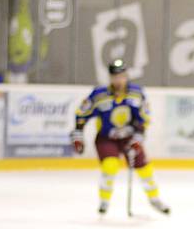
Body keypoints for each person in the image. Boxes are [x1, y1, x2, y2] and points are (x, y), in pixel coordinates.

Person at [70, 59, 169, 216]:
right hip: (106, 138)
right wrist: (77, 134)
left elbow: (144, 119)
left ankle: (154, 198)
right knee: (110, 166)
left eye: (122, 76)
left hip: (129, 138)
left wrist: (138, 138)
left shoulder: (137, 93)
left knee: (145, 169)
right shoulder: (99, 95)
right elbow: (82, 115)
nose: (119, 80)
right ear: (110, 77)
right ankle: (104, 201)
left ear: (126, 76)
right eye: (115, 77)